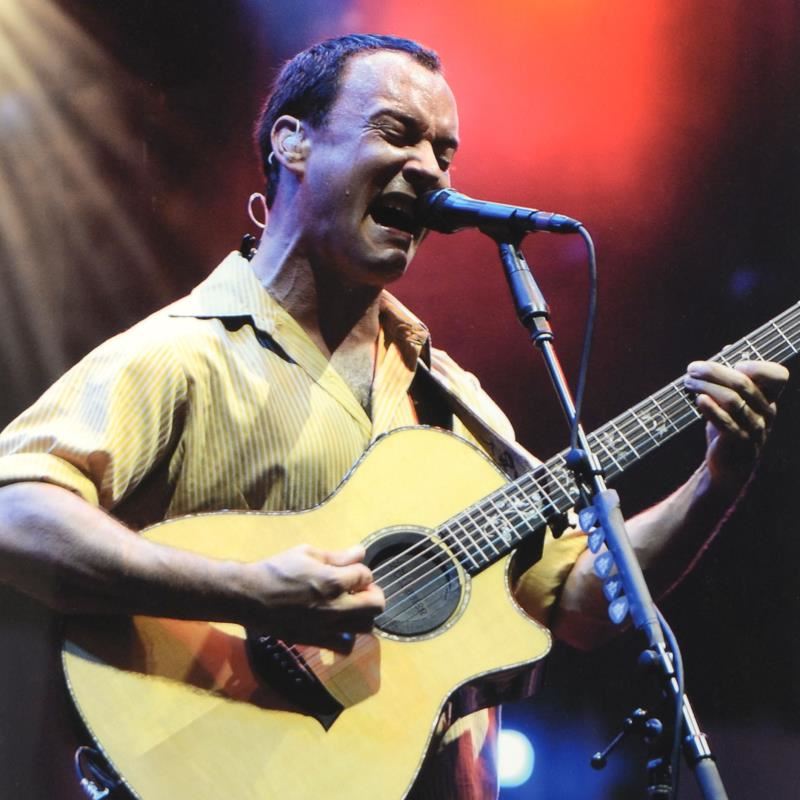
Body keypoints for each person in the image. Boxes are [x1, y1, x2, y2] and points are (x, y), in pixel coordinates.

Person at [0, 33, 788, 800]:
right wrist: (244, 590)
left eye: (445, 152)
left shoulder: (451, 397)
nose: (431, 169)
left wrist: (715, 481)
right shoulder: (183, 353)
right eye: (397, 132)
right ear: (293, 142)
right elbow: (14, 515)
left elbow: (581, 604)